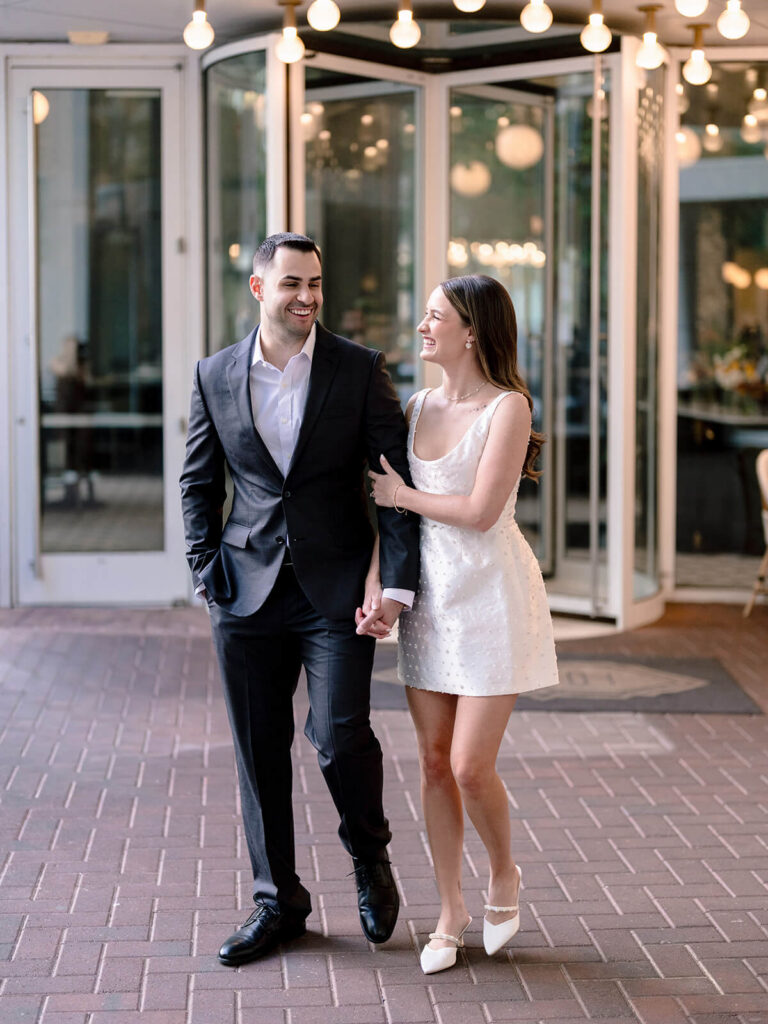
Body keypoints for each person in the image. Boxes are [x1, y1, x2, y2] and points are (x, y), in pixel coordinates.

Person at [180, 232, 420, 966]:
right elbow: (198, 480)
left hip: (337, 591)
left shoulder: (359, 369)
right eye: (291, 283)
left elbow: (395, 491)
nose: (307, 296)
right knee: (258, 753)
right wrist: (204, 568)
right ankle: (275, 901)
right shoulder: (214, 373)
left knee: (340, 734)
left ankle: (369, 855)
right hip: (245, 591)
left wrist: (396, 584)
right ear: (259, 289)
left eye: (315, 282)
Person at [366, 274, 559, 974]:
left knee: (471, 766)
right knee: (432, 762)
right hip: (430, 607)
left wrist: (402, 492)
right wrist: (379, 594)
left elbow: (480, 511)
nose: (423, 327)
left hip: (489, 601)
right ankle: (450, 909)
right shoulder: (415, 406)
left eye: (434, 317)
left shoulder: (509, 407)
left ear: (471, 331)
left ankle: (503, 873)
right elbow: (391, 523)